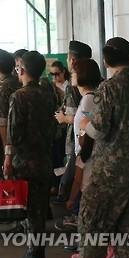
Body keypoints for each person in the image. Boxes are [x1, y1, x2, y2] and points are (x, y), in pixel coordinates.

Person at [78, 37, 129, 258]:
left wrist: (82, 127)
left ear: (106, 62)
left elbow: (99, 129)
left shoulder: (107, 88)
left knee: (92, 233)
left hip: (107, 177)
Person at [4, 51, 55, 258]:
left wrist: (7, 160)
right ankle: (37, 256)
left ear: (22, 70)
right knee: (40, 211)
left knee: (28, 212)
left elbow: (13, 134)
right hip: (44, 160)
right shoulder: (48, 94)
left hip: (25, 162)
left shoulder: (19, 96)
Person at [55, 41, 91, 202]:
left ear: (73, 60)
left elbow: (73, 116)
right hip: (93, 139)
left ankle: (72, 206)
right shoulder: (99, 78)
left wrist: (62, 118)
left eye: (69, 58)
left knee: (76, 174)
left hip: (77, 139)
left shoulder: (73, 85)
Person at [0, 48, 21, 179]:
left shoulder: (0, 89)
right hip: (20, 142)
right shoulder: (18, 83)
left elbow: (3, 123)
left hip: (5, 145)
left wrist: (6, 153)